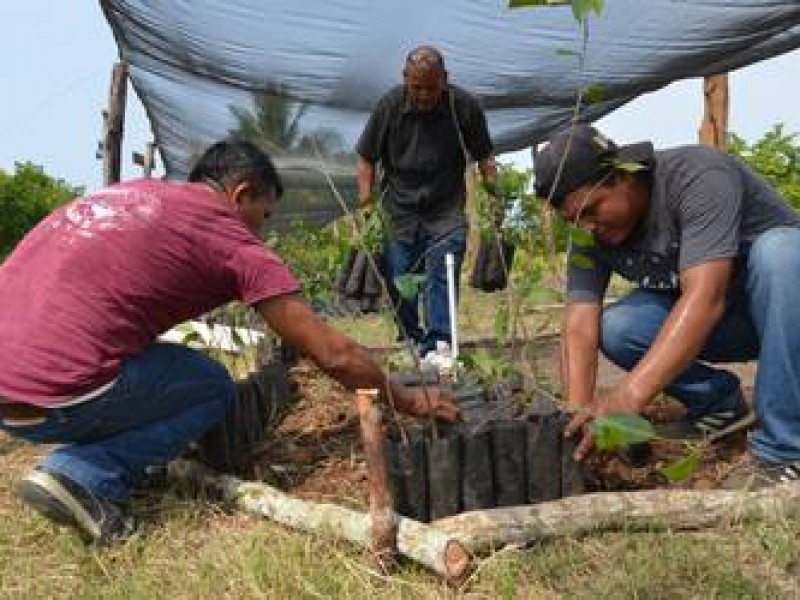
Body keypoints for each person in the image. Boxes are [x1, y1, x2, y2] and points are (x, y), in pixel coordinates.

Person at [0, 140, 458, 545]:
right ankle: (82, 474)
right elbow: (333, 354)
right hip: (58, 397)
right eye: (263, 215)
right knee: (210, 385)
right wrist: (410, 401)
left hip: (10, 401)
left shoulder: (128, 195)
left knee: (146, 359)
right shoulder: (232, 242)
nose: (262, 232)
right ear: (240, 194)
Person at [533, 123, 800, 490]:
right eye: (576, 220)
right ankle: (719, 406)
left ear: (623, 176)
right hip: (730, 323)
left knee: (782, 253)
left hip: (785, 312)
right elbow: (580, 322)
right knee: (618, 326)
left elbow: (704, 299)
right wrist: (576, 417)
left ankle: (784, 450)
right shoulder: (589, 229)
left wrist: (627, 396)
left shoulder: (697, 176)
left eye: (593, 210)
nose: (589, 227)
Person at [356, 45, 498, 355]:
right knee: (399, 278)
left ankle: (440, 343)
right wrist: (367, 210)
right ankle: (411, 339)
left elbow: (485, 155)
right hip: (399, 209)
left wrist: (494, 197)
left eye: (431, 88)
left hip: (445, 207)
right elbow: (366, 159)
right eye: (416, 87)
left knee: (442, 271)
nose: (423, 95)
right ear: (405, 78)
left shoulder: (464, 107)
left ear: (444, 79)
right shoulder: (389, 107)